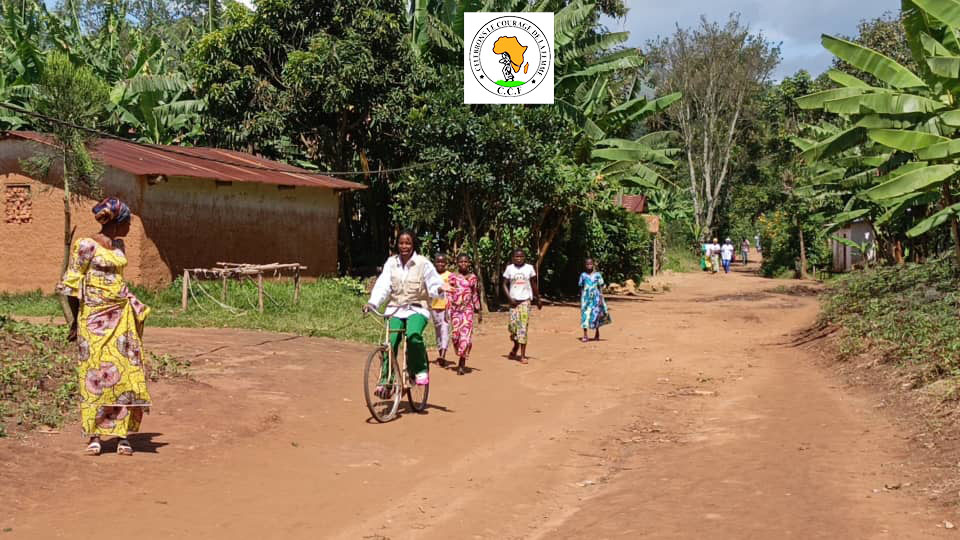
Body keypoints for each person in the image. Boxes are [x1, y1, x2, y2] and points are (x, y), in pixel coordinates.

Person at [56, 197, 151, 456]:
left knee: (125, 374)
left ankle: (122, 436)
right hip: (93, 320)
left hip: (121, 318)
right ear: (117, 222)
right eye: (128, 222)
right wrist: (75, 322)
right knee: (95, 376)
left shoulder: (119, 246)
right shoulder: (86, 245)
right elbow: (71, 285)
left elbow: (118, 281)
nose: (130, 227)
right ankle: (94, 436)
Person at [364, 231, 448, 391]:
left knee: (413, 336)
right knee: (390, 342)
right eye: (401, 243)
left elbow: (433, 284)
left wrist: (439, 288)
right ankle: (385, 381)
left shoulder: (423, 263)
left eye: (408, 243)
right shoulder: (391, 263)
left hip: (417, 308)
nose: (404, 246)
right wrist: (372, 303)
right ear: (397, 245)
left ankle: (420, 370)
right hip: (395, 309)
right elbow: (383, 285)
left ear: (413, 244)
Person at [502, 249, 541, 364]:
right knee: (513, 328)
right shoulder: (509, 268)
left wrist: (538, 298)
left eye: (521, 257)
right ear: (513, 258)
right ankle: (516, 346)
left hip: (525, 301)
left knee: (523, 328)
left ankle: (522, 356)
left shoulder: (529, 268)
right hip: (513, 302)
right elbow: (504, 284)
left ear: (524, 257)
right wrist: (509, 299)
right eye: (516, 257)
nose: (519, 259)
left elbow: (533, 284)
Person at [448, 254, 482, 375]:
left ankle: (461, 363)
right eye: (461, 261)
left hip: (468, 309)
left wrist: (479, 309)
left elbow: (474, 293)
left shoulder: (472, 277)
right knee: (455, 336)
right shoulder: (452, 277)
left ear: (469, 263)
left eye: (466, 261)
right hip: (455, 310)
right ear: (457, 263)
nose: (463, 264)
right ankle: (462, 351)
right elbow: (449, 293)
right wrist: (448, 309)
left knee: (465, 337)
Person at [579, 258, 609, 342]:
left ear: (593, 265)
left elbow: (600, 287)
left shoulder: (597, 275)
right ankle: (585, 335)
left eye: (590, 264)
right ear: (585, 265)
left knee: (596, 315)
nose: (589, 266)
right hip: (586, 298)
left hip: (596, 297)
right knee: (585, 315)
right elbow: (581, 287)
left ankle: (597, 332)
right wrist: (582, 299)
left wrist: (601, 298)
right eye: (587, 264)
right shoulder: (583, 275)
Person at [430, 254, 451, 367]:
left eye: (443, 262)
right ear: (435, 263)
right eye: (438, 262)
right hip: (434, 307)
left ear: (446, 263)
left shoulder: (450, 276)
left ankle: (443, 354)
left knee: (445, 329)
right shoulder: (431, 276)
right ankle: (440, 353)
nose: (440, 264)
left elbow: (453, 290)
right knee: (438, 331)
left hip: (446, 307)